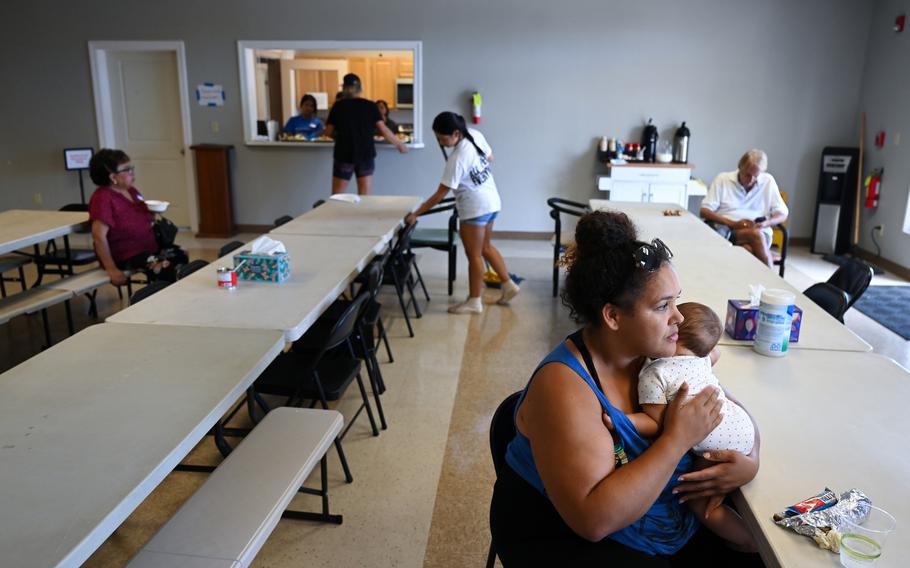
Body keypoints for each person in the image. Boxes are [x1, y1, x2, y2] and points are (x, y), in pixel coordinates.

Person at [490, 211, 762, 566]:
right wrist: (677, 439)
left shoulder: (660, 356)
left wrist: (750, 461)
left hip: (654, 516)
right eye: (663, 306)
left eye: (676, 300)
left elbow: (725, 406)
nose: (678, 317)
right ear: (613, 316)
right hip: (563, 534)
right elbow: (593, 520)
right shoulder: (564, 387)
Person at [634, 302, 757, 553]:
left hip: (713, 440)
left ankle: (748, 541)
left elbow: (658, 425)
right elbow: (715, 354)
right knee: (715, 495)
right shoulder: (703, 359)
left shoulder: (654, 373)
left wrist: (622, 420)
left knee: (702, 504)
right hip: (740, 426)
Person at [404, 111, 519, 314]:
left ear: (455, 133)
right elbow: (490, 157)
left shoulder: (456, 159)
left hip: (474, 208)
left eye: (442, 138)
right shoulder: (474, 134)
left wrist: (416, 214)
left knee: (473, 255)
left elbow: (439, 195)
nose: (440, 142)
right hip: (491, 201)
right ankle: (509, 285)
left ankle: (474, 301)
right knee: (485, 247)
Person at [88, 149, 187, 285]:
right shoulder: (103, 198)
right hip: (126, 254)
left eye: (131, 168)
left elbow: (141, 215)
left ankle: (170, 290)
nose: (132, 172)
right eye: (127, 169)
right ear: (113, 177)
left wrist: (154, 211)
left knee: (181, 254)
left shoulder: (131, 191)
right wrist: (112, 269)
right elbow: (99, 236)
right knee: (165, 267)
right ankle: (163, 296)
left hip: (146, 248)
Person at [700, 149, 788, 267]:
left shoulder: (768, 181)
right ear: (740, 167)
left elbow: (782, 213)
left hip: (761, 232)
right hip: (728, 231)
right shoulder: (723, 179)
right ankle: (772, 278)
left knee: (748, 248)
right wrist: (732, 223)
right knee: (754, 237)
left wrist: (766, 223)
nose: (751, 180)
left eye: (755, 176)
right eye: (747, 175)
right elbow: (704, 211)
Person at [324, 73, 407, 195]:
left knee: (338, 196)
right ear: (360, 89)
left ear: (344, 88)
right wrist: (400, 145)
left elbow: (328, 132)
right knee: (365, 196)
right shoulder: (370, 106)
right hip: (365, 154)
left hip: (344, 154)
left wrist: (340, 137)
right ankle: (363, 214)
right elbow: (383, 129)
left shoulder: (338, 106)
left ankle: (337, 214)